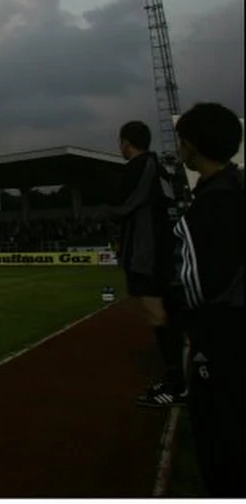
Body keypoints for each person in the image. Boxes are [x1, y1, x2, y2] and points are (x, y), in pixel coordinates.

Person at [168, 102, 244, 497]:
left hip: (221, 335)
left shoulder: (208, 206)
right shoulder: (238, 187)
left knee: (220, 442)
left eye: (182, 139)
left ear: (191, 145)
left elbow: (195, 286)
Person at [105, 120, 184, 407]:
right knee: (168, 310)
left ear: (127, 142)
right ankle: (180, 375)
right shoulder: (163, 167)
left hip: (149, 252)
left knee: (156, 311)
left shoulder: (140, 167)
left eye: (120, 141)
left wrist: (109, 208)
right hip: (164, 248)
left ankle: (176, 381)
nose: (120, 147)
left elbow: (120, 205)